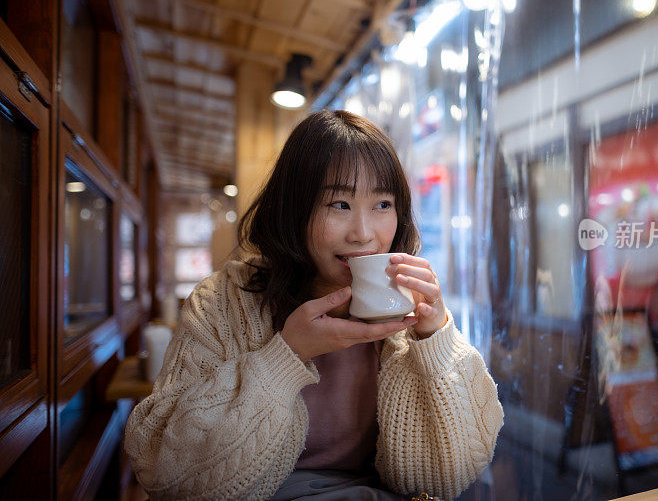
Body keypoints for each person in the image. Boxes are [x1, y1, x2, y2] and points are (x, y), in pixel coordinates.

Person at [124, 110, 504, 500]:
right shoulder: (223, 301)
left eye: (383, 204)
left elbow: (454, 474)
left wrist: (435, 336)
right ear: (295, 208)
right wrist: (287, 354)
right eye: (339, 204)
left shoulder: (411, 312)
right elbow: (163, 469)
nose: (363, 234)